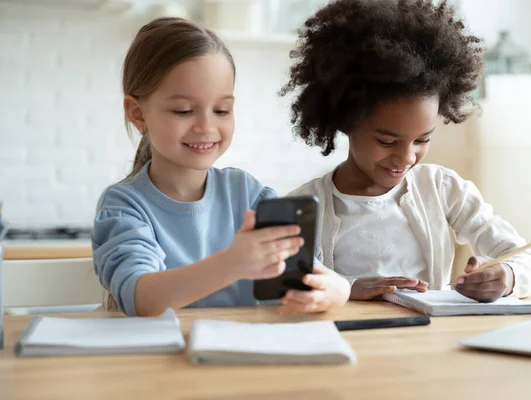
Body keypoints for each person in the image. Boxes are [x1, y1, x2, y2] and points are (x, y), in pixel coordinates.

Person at [282, 0, 531, 303]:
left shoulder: (444, 189)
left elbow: (530, 262)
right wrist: (348, 288)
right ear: (345, 121)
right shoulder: (304, 206)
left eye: (422, 140)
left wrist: (508, 277)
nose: (407, 158)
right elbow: (281, 288)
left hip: (427, 343)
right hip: (349, 344)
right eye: (387, 141)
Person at [92, 17, 350, 317]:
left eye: (221, 110)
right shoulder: (124, 206)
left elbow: (309, 273)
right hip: (166, 360)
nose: (206, 126)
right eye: (184, 111)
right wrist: (233, 263)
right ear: (138, 114)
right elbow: (140, 298)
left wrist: (337, 290)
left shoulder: (248, 193)